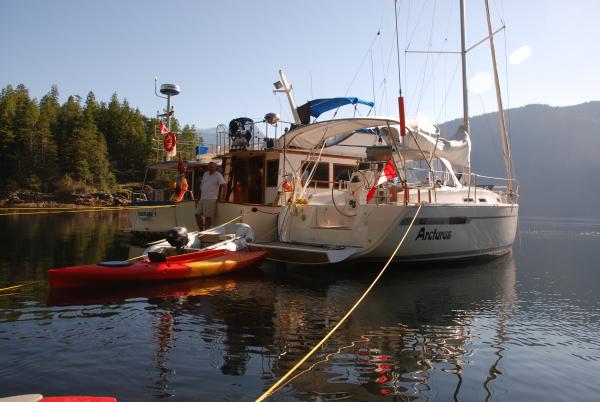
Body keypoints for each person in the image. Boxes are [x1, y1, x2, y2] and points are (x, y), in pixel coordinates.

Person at [195, 162, 225, 230]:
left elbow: (224, 185)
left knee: (207, 217)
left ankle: (205, 233)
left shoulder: (218, 175)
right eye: (209, 167)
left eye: (212, 167)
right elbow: (202, 186)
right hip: (203, 197)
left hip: (211, 198)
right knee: (197, 214)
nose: (210, 168)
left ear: (215, 168)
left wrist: (223, 197)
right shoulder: (205, 174)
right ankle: (201, 230)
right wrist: (200, 196)